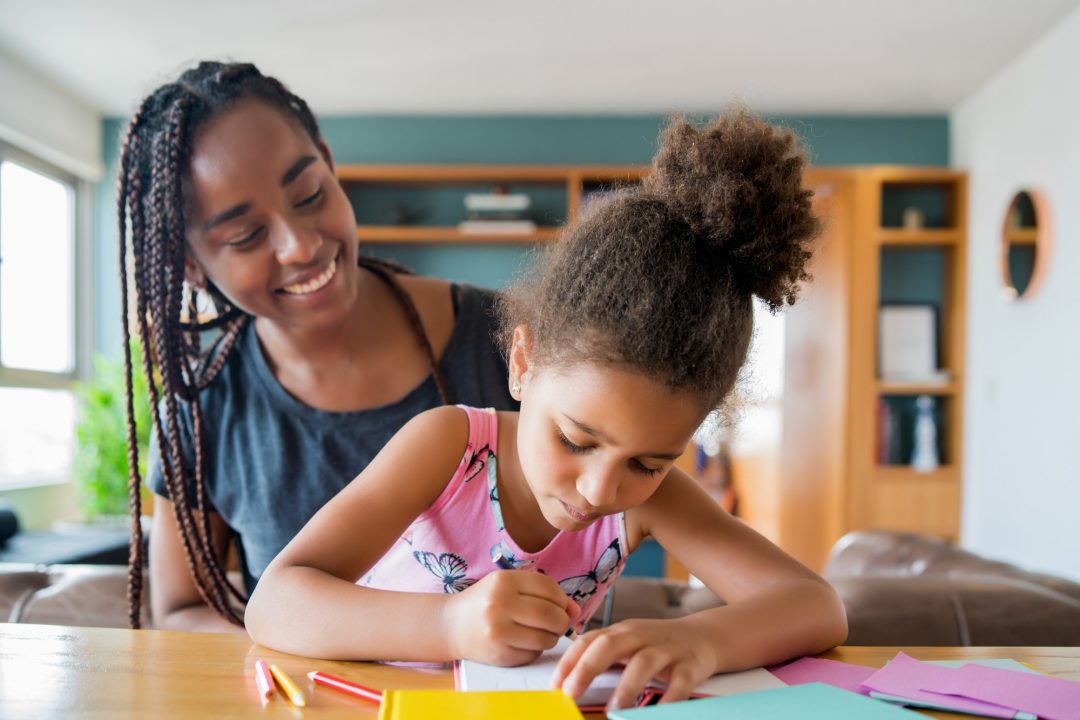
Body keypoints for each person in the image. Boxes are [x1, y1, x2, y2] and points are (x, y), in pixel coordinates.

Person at [246, 110, 848, 708]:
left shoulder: (655, 501)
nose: (598, 489)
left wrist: (702, 640)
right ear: (522, 362)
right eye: (577, 440)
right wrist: (451, 624)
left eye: (648, 463)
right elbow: (274, 604)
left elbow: (817, 606)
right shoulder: (448, 446)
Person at [116, 61, 517, 632]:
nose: (300, 245)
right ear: (191, 266)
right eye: (247, 236)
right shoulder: (201, 412)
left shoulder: (508, 340)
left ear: (329, 166)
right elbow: (183, 610)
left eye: (308, 195)